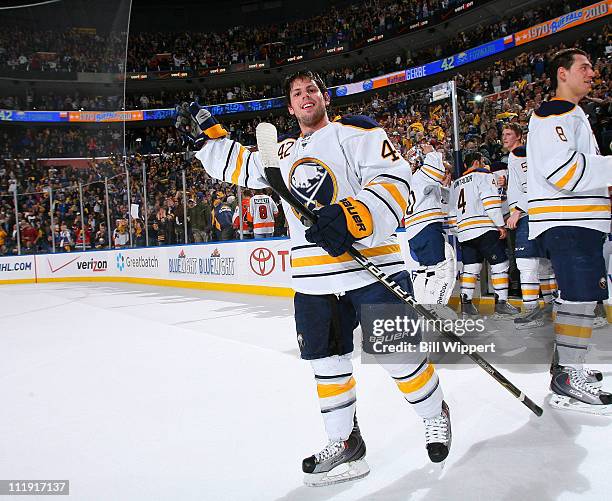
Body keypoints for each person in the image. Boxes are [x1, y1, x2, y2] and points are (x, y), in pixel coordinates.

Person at [176, 70, 451, 486]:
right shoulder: (281, 152)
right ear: (290, 107)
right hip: (313, 281)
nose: (305, 97)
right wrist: (205, 142)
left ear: (324, 98)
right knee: (327, 364)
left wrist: (352, 216)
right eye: (297, 93)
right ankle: (344, 444)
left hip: (371, 266)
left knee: (398, 356)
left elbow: (396, 183)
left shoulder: (356, 133)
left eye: (311, 90)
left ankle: (435, 415)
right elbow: (239, 163)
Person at [526, 48, 612, 413]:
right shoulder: (555, 113)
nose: (592, 73)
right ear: (562, 73)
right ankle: (566, 379)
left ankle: (566, 366)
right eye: (584, 67)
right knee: (579, 297)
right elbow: (563, 171)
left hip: (578, 221)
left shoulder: (573, 115)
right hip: (568, 220)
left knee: (581, 297)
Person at [448, 151, 520, 318]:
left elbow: (451, 212)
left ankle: (466, 305)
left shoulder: (455, 184)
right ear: (477, 162)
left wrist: (458, 231)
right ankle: (501, 303)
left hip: (465, 232)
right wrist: (500, 225)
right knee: (500, 264)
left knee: (470, 268)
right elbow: (490, 202)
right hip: (484, 228)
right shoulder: (484, 176)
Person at [503, 123, 557, 329]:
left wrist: (517, 209)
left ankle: (531, 311)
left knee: (526, 263)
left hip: (529, 213)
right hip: (538, 212)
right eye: (503, 134)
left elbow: (531, 183)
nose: (504, 137)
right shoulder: (516, 155)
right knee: (543, 263)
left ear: (519, 137)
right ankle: (550, 307)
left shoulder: (520, 153)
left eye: (509, 134)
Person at [404, 138, 456, 308]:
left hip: (414, 232)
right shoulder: (421, 176)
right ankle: (436, 311)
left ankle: (421, 307)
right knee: (442, 269)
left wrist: (445, 188)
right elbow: (435, 171)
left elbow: (441, 200)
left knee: (424, 270)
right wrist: (431, 152)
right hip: (427, 228)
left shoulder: (406, 182)